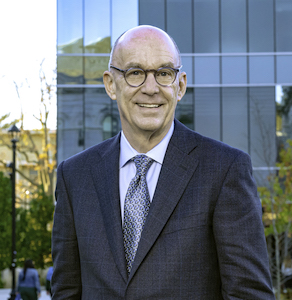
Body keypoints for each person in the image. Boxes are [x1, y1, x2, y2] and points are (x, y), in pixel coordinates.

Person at [51, 25, 275, 299]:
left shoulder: (225, 170)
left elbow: (248, 294)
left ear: (179, 86)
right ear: (111, 84)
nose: (150, 88)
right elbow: (66, 291)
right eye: (135, 73)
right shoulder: (74, 176)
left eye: (163, 73)